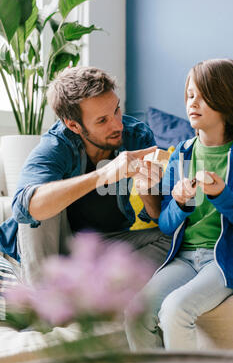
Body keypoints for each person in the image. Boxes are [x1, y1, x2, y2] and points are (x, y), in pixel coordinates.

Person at [125, 58, 233, 351]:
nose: (193, 103)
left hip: (229, 260)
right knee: (135, 312)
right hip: (185, 258)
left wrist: (222, 197)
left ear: (227, 101)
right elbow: (166, 224)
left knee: (175, 310)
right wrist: (179, 203)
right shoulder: (181, 154)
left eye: (204, 97)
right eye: (190, 95)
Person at [0, 66, 171, 285]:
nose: (118, 124)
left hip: (104, 245)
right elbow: (24, 208)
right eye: (102, 121)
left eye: (117, 110)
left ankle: (93, 290)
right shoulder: (56, 145)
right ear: (73, 125)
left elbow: (157, 214)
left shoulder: (137, 136)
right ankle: (46, 302)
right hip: (55, 245)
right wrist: (103, 175)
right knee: (39, 204)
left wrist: (148, 188)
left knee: (173, 240)